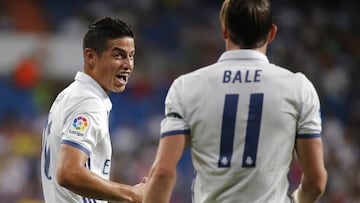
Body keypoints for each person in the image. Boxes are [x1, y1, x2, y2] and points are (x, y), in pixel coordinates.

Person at [144, 0, 327, 202]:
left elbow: (162, 173)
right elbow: (315, 182)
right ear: (272, 33)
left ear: (224, 31)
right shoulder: (298, 88)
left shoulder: (186, 86)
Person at [41, 16, 146, 203]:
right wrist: (132, 194)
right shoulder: (88, 102)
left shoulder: (69, 95)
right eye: (118, 55)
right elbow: (68, 172)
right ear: (90, 56)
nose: (128, 65)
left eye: (131, 56)